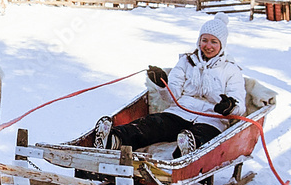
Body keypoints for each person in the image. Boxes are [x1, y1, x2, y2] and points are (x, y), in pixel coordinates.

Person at [93, 13, 247, 158]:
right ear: (199, 41)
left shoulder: (231, 70)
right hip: (181, 112)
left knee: (202, 135)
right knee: (152, 124)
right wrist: (162, 85)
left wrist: (229, 107)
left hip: (212, 118)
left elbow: (239, 104)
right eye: (204, 40)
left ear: (222, 45)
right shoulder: (186, 62)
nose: (208, 46)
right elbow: (171, 96)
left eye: (214, 42)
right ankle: (115, 138)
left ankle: (187, 149)